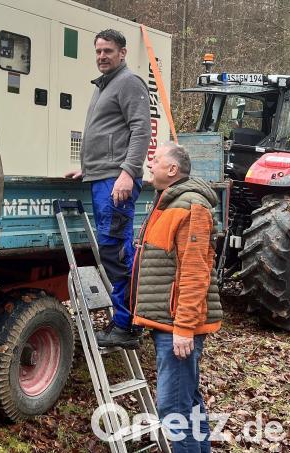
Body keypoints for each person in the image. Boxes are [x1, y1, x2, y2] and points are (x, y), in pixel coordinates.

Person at [132, 142, 222, 452]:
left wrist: (184, 327)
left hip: (177, 326)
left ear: (172, 170)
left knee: (173, 409)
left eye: (155, 161)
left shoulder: (190, 207)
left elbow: (196, 272)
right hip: (169, 322)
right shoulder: (168, 201)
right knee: (189, 401)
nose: (149, 165)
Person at [65, 29, 151, 348]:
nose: (102, 56)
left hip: (116, 182)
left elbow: (141, 130)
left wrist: (128, 172)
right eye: (98, 51)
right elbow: (107, 133)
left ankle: (126, 326)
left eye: (108, 51)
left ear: (123, 53)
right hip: (102, 177)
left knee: (116, 251)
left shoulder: (129, 82)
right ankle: (125, 321)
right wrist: (88, 168)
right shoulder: (105, 85)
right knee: (111, 248)